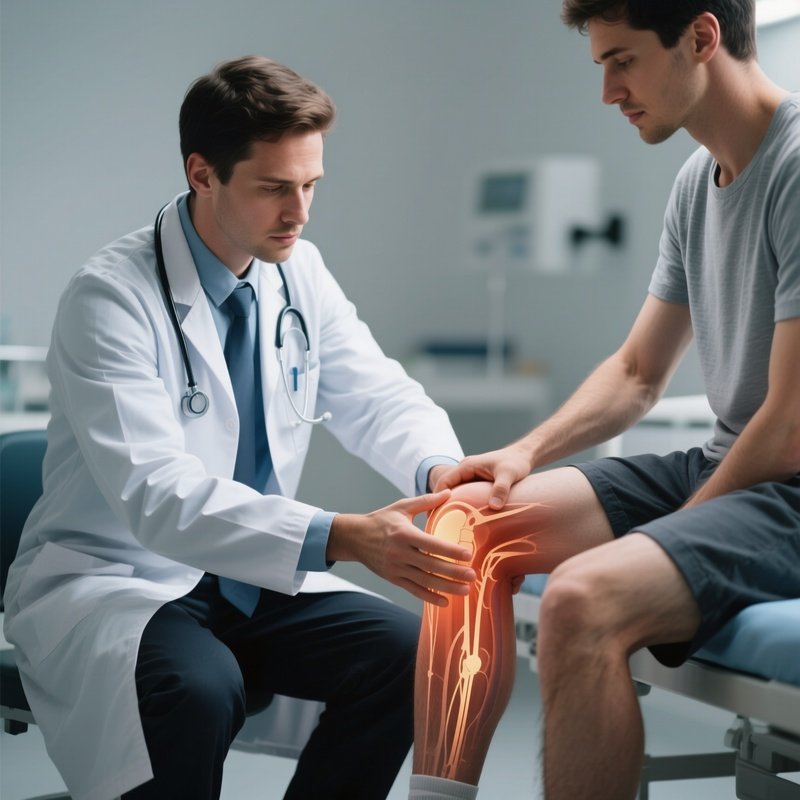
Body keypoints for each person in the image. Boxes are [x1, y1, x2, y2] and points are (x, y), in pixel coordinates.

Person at [3, 55, 478, 800]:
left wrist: (439, 472)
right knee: (200, 688)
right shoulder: (110, 297)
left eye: (311, 185)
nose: (300, 212)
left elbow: (374, 392)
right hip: (126, 576)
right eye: (274, 189)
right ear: (203, 174)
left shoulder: (298, 271)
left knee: (415, 654)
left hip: (247, 574)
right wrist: (343, 536)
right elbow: (156, 494)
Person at [407, 2, 800, 798]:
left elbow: (789, 428)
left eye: (622, 60)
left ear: (701, 36)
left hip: (789, 487)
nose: (608, 91)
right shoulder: (697, 181)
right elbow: (636, 373)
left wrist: (674, 536)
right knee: (469, 526)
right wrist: (521, 454)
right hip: (732, 461)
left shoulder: (796, 168)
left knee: (582, 602)